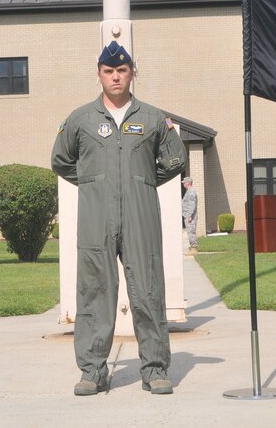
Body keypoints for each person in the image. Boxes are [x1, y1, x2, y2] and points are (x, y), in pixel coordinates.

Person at [51, 41, 188, 396]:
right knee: (95, 291)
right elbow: (61, 161)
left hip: (141, 216)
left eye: (122, 70)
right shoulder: (80, 119)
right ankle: (93, 371)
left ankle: (155, 369)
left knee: (148, 290)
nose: (116, 76)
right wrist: (95, 183)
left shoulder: (154, 118)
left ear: (132, 73)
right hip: (97, 218)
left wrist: (141, 181)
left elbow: (175, 160)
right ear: (99, 73)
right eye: (109, 71)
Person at [181, 177, 198, 254]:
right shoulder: (189, 191)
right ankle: (192, 247)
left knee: (191, 231)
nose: (183, 184)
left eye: (184, 182)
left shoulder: (191, 192)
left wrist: (190, 215)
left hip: (190, 217)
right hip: (187, 215)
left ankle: (193, 248)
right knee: (189, 231)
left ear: (188, 183)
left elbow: (192, 204)